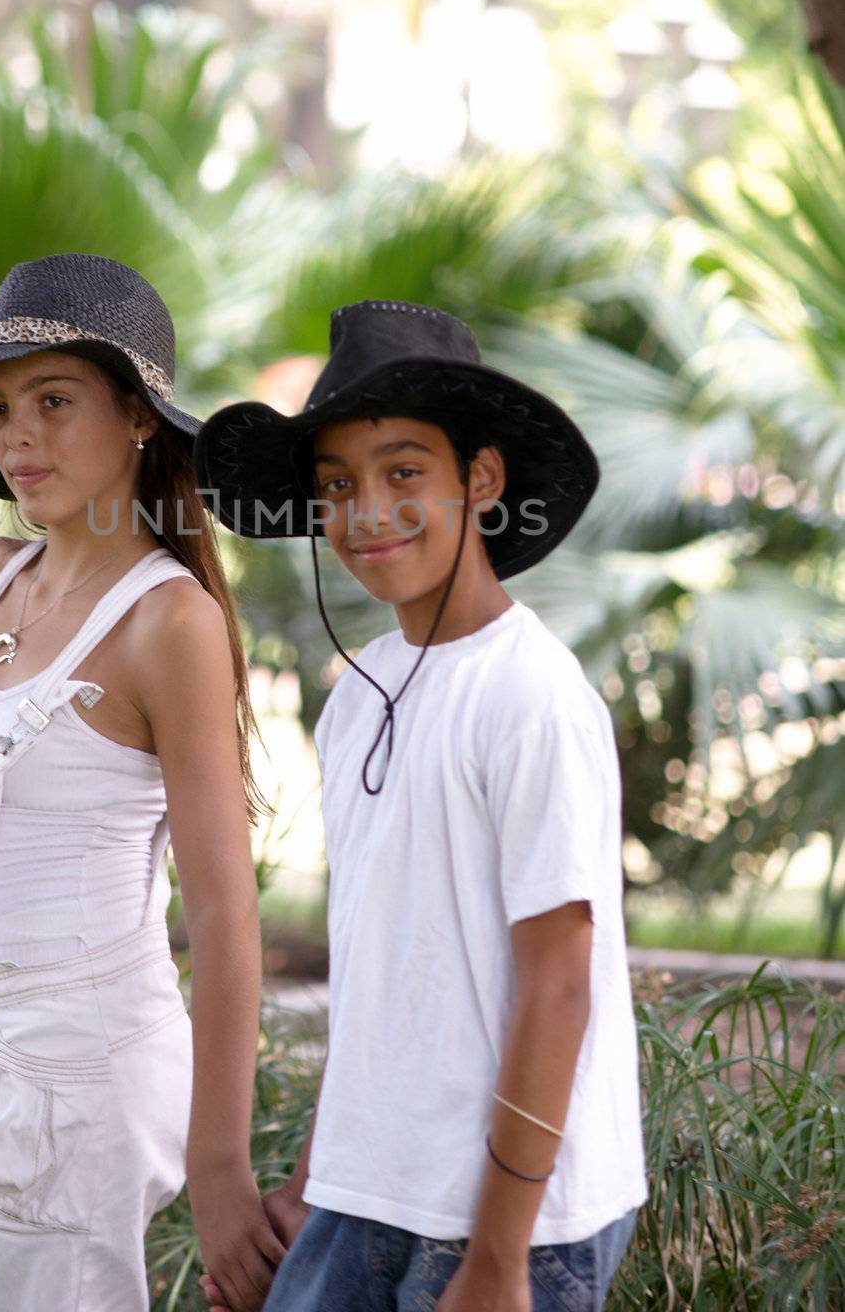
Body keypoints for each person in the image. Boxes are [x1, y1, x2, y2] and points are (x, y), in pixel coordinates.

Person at [0, 252, 286, 1312]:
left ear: (136, 419)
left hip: (72, 1086)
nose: (16, 436)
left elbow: (222, 909)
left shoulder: (169, 621)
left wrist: (221, 1169)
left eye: (53, 400)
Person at [193, 298, 648, 1312]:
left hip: (510, 1220)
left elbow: (559, 983)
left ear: (478, 481)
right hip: (373, 1196)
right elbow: (382, 973)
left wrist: (496, 1256)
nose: (368, 512)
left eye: (405, 472)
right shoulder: (358, 694)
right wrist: (318, 1181)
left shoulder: (529, 694)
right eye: (337, 485)